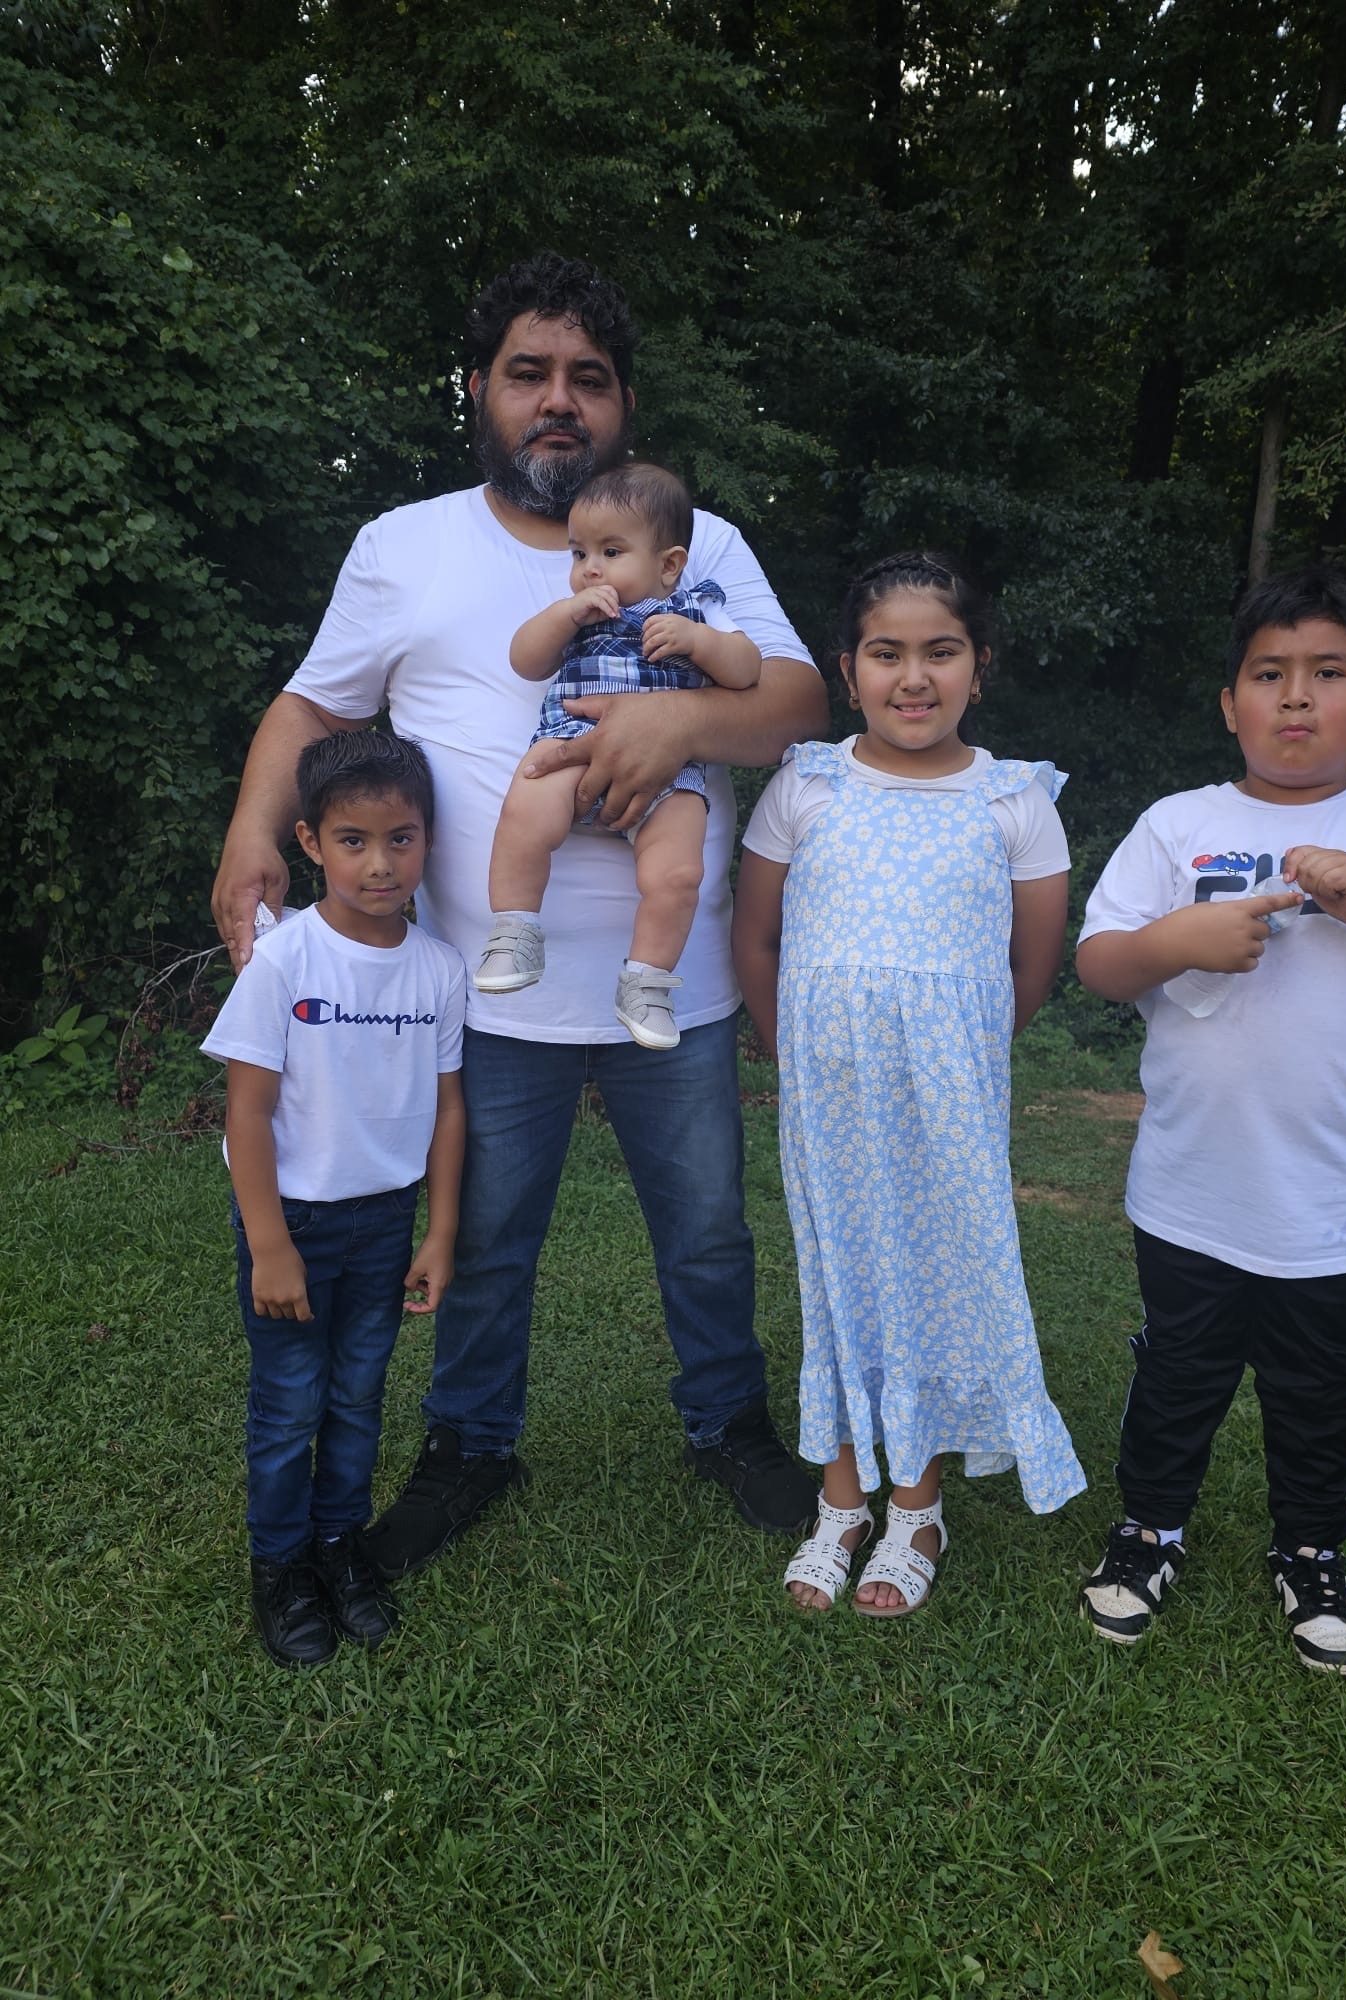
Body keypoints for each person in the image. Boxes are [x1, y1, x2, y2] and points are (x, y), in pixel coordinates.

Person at [211, 252, 824, 1578]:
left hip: (676, 986)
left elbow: (795, 704)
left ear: (624, 402)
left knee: (708, 1232)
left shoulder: (699, 543)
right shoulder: (406, 545)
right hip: (484, 985)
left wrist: (679, 723)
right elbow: (314, 704)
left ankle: (729, 1424)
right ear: (480, 390)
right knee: (486, 1239)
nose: (559, 400)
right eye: (527, 373)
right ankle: (471, 1444)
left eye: (588, 379)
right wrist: (254, 830)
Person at [1075, 563, 1346, 1675]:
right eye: (1269, 674)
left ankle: (1311, 1552)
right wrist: (1178, 940)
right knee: (1178, 1373)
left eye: (1329, 672)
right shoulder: (1179, 823)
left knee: (1318, 1391)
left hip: (1343, 1203)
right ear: (1231, 703)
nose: (1298, 695)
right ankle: (1148, 1531)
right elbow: (1102, 962)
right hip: (1191, 1189)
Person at [733, 553, 1087, 1615]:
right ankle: (841, 1498)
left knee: (934, 1284)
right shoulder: (808, 783)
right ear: (849, 671)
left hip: (951, 1107)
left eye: (942, 651)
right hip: (828, 1102)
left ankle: (917, 1503)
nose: (915, 676)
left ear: (981, 666)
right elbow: (756, 941)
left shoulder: (1016, 801)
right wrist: (798, 1053)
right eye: (887, 653)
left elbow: (1030, 967)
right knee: (838, 1277)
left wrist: (949, 1055)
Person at [202, 733, 467, 1666]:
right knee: (289, 1406)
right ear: (310, 842)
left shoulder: (439, 969)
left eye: (401, 839)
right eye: (353, 840)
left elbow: (446, 1108)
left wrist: (439, 1230)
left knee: (357, 1398)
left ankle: (338, 1547)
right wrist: (270, 1243)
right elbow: (247, 1109)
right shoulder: (284, 961)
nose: (380, 863)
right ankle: (280, 1567)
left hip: (385, 1223)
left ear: (428, 840)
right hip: (295, 1224)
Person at [478, 462, 761, 1052]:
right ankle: (514, 931)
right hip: (569, 741)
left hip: (667, 771)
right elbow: (525, 660)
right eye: (579, 553)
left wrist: (700, 642)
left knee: (678, 874)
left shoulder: (698, 610)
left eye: (610, 552)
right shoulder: (577, 612)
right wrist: (564, 616)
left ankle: (647, 982)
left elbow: (746, 669)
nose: (590, 569)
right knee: (524, 812)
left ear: (669, 565)